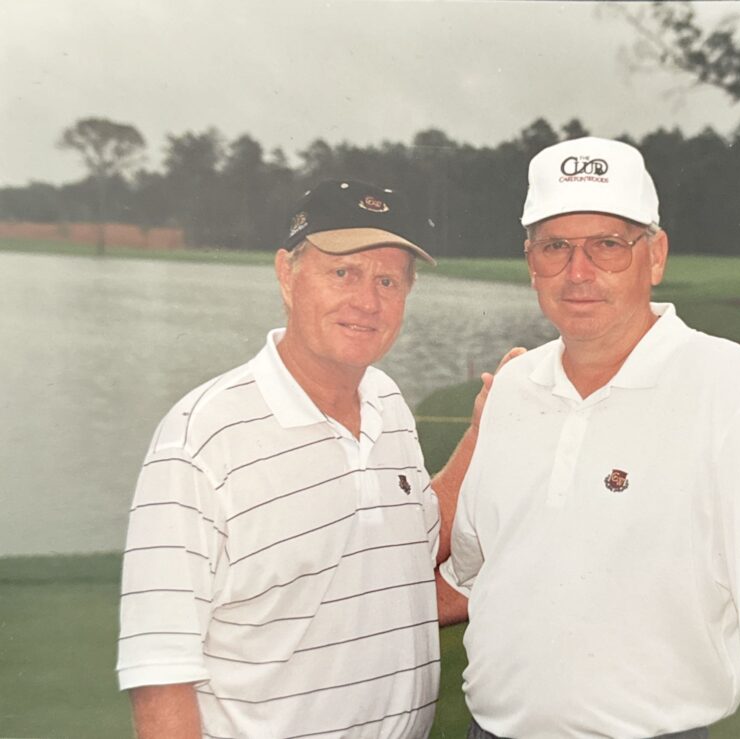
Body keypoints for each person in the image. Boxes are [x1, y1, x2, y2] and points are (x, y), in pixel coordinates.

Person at [440, 137, 740, 739]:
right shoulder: (514, 388)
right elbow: (474, 577)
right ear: (530, 261)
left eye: (607, 245)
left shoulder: (722, 381)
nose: (578, 272)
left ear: (655, 255)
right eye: (555, 246)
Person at [117, 179, 510, 738]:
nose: (367, 301)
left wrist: (483, 432)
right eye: (343, 272)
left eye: (388, 281)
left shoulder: (387, 403)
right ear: (287, 273)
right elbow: (160, 673)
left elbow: (412, 552)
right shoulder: (200, 439)